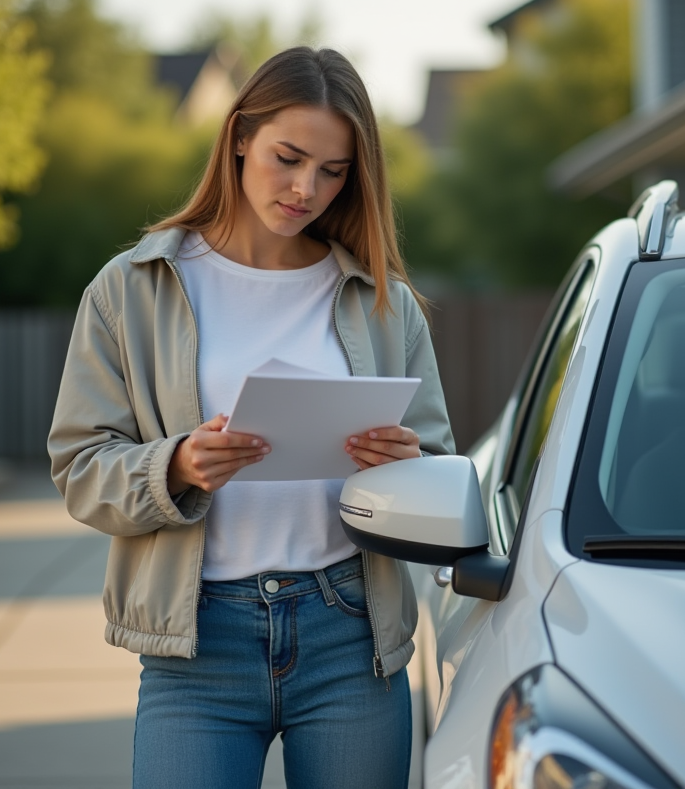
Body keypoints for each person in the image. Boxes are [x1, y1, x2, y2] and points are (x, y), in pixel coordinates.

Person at [47, 46, 455, 789]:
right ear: (238, 136)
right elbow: (79, 469)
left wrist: (408, 471)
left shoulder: (383, 300)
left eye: (332, 171)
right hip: (197, 646)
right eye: (288, 157)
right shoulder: (132, 289)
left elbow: (438, 480)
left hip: (350, 637)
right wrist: (174, 466)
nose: (306, 188)